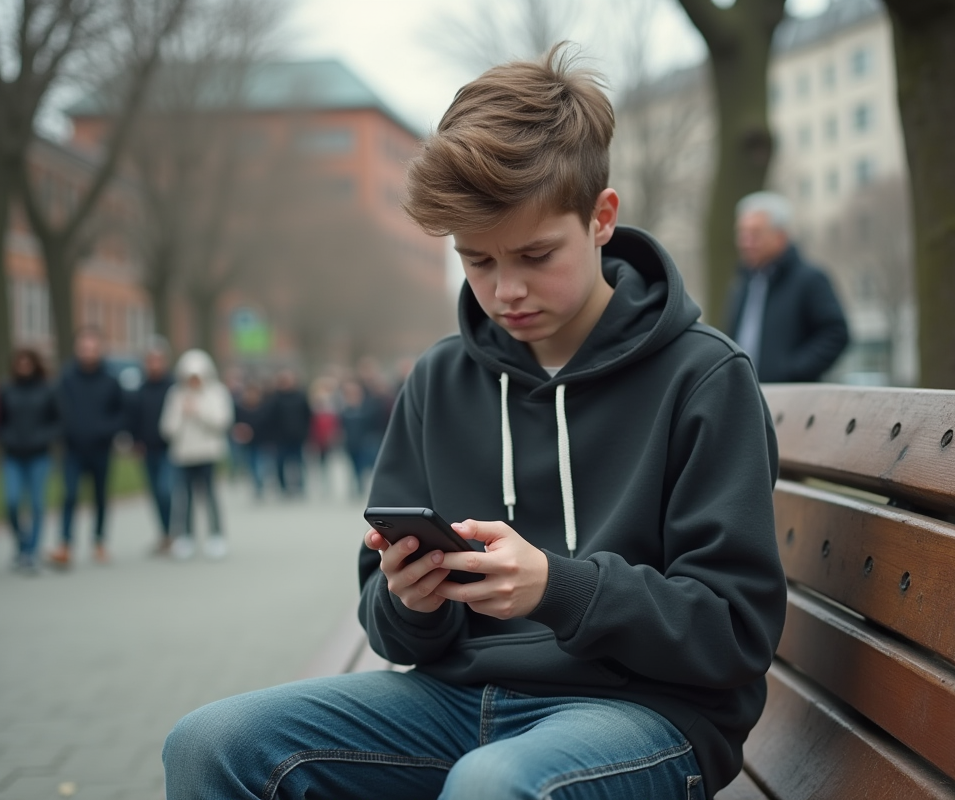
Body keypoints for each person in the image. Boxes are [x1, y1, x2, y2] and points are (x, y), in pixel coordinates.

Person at [164, 46, 785, 800]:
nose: (506, 290)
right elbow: (385, 624)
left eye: (534, 254)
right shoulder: (439, 379)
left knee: (494, 786)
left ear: (602, 218)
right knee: (210, 745)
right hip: (453, 704)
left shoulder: (703, 376)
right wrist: (408, 600)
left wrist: (559, 587)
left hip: (645, 713)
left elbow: (734, 631)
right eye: (477, 261)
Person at [723, 192, 850, 382]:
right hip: (747, 396)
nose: (746, 242)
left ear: (780, 236)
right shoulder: (742, 283)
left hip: (794, 401)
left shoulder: (810, 279)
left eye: (755, 234)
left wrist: (792, 371)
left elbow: (836, 333)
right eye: (742, 233)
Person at [51, 327, 125, 567]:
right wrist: (66, 431)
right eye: (84, 348)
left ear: (100, 349)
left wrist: (106, 430)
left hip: (101, 448)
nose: (88, 353)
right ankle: (65, 543)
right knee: (70, 494)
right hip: (73, 448)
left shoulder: (111, 379)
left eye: (93, 348)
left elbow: (121, 412)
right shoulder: (66, 378)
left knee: (100, 496)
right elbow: (57, 410)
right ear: (77, 349)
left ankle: (99, 541)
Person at [161, 349, 233, 561]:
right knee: (184, 497)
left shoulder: (217, 392)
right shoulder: (176, 394)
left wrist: (198, 411)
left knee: (210, 496)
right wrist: (182, 413)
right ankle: (185, 536)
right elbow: (167, 428)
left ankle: (216, 535)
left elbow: (222, 422)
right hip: (183, 454)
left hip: (208, 453)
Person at [0, 348, 60, 572]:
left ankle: (30, 552)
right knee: (12, 502)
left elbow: (58, 420)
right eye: (19, 363)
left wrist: (44, 437)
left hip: (39, 455)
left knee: (36, 504)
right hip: (12, 455)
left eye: (27, 363)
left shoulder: (47, 389)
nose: (23, 367)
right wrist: (5, 437)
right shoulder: (6, 390)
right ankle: (22, 543)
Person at [128, 339, 175, 555]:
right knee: (155, 493)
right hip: (148, 448)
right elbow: (134, 418)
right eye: (150, 360)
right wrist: (135, 440)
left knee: (167, 490)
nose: (154, 364)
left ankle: (177, 531)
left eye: (158, 360)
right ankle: (165, 533)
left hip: (171, 449)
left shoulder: (174, 387)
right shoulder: (140, 389)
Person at [265, 369, 311, 497]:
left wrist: (305, 432)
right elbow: (269, 418)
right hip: (280, 438)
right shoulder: (275, 398)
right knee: (280, 463)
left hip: (297, 436)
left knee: (298, 463)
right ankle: (283, 487)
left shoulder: (300, 396)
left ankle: (300, 485)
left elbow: (308, 415)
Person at [337, 377, 382, 499]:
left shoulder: (368, 405)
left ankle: (371, 488)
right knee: (354, 466)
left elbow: (375, 422)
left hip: (366, 442)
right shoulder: (343, 407)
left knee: (368, 466)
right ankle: (357, 487)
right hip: (351, 442)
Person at [231, 382, 270, 499]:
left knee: (260, 462)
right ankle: (257, 483)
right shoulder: (241, 408)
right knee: (251, 463)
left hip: (261, 440)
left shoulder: (263, 407)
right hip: (247, 441)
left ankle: (260, 481)